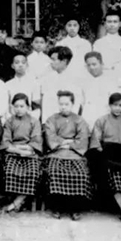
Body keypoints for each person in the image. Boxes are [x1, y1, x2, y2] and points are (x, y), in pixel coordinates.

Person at [89, 93, 121, 222]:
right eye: (115, 105)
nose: (118, 108)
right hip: (106, 154)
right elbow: (96, 140)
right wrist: (102, 153)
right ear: (109, 105)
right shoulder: (102, 121)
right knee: (113, 176)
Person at [43, 90, 92, 221]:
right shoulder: (52, 119)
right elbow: (51, 138)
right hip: (56, 154)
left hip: (75, 155)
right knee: (54, 172)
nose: (63, 107)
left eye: (67, 104)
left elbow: (82, 140)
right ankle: (57, 207)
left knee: (80, 174)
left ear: (72, 104)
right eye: (61, 104)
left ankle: (75, 208)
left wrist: (64, 143)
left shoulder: (79, 120)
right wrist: (69, 142)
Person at [1, 93, 43, 213]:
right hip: (13, 153)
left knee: (33, 172)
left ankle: (17, 202)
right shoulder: (9, 122)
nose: (19, 109)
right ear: (12, 107)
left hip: (30, 153)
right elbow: (6, 142)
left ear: (28, 107)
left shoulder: (34, 122)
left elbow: (36, 141)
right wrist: (17, 150)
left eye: (22, 106)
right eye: (16, 106)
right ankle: (18, 201)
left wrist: (24, 148)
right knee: (10, 171)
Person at [36, 46, 84, 124]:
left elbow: (76, 103)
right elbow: (44, 101)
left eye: (54, 59)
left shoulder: (75, 79)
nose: (51, 62)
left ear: (64, 61)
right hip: (49, 122)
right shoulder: (47, 78)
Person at [81, 52, 121, 130]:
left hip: (107, 123)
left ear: (101, 64)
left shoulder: (111, 82)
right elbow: (82, 104)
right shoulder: (83, 83)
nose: (91, 67)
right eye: (88, 65)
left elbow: (116, 104)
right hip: (88, 122)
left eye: (94, 64)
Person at [93, 10, 121, 84]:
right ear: (105, 24)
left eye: (115, 22)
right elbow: (97, 64)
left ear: (120, 24)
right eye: (109, 22)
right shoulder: (98, 44)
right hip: (104, 80)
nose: (112, 25)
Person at [6, 53, 41, 120]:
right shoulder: (7, 85)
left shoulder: (34, 83)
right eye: (17, 63)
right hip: (12, 119)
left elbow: (36, 106)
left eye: (23, 62)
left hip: (29, 118)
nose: (20, 65)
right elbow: (6, 107)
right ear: (12, 65)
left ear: (27, 65)